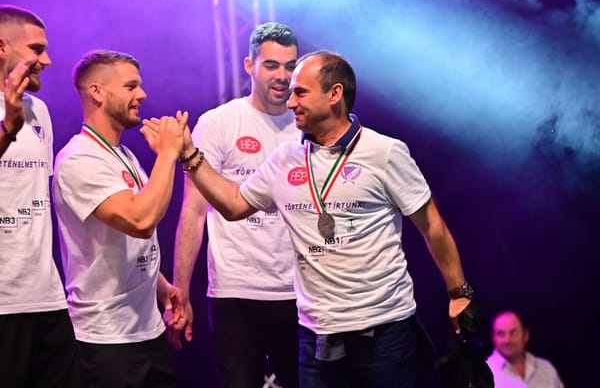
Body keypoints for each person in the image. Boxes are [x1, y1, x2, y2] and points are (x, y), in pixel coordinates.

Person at [145, 50, 474, 388]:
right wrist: (188, 154)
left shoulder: (384, 152)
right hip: (316, 335)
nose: (290, 103)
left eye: (301, 93)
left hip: (382, 329)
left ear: (334, 94)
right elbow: (234, 204)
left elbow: (432, 225)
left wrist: (459, 292)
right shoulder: (286, 159)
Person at [170, 21, 299, 388]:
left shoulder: (307, 126)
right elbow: (193, 212)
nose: (282, 76)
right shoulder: (218, 123)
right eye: (271, 65)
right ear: (249, 65)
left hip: (302, 292)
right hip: (236, 293)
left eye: (290, 66)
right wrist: (181, 292)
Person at [52, 49, 188, 388]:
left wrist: (162, 287)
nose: (142, 94)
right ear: (97, 92)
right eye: (131, 86)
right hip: (106, 339)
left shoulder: (123, 154)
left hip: (148, 329)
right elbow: (139, 221)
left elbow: (127, 240)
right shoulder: (78, 159)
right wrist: (168, 154)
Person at [0, 4, 81, 387]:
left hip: (46, 296)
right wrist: (8, 128)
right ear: (2, 46)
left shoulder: (39, 111)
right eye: (36, 49)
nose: (46, 61)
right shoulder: (16, 118)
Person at [487, 310, 564, 388]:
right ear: (493, 338)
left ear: (526, 335)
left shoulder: (546, 369)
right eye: (501, 334)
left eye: (513, 333)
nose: (507, 340)